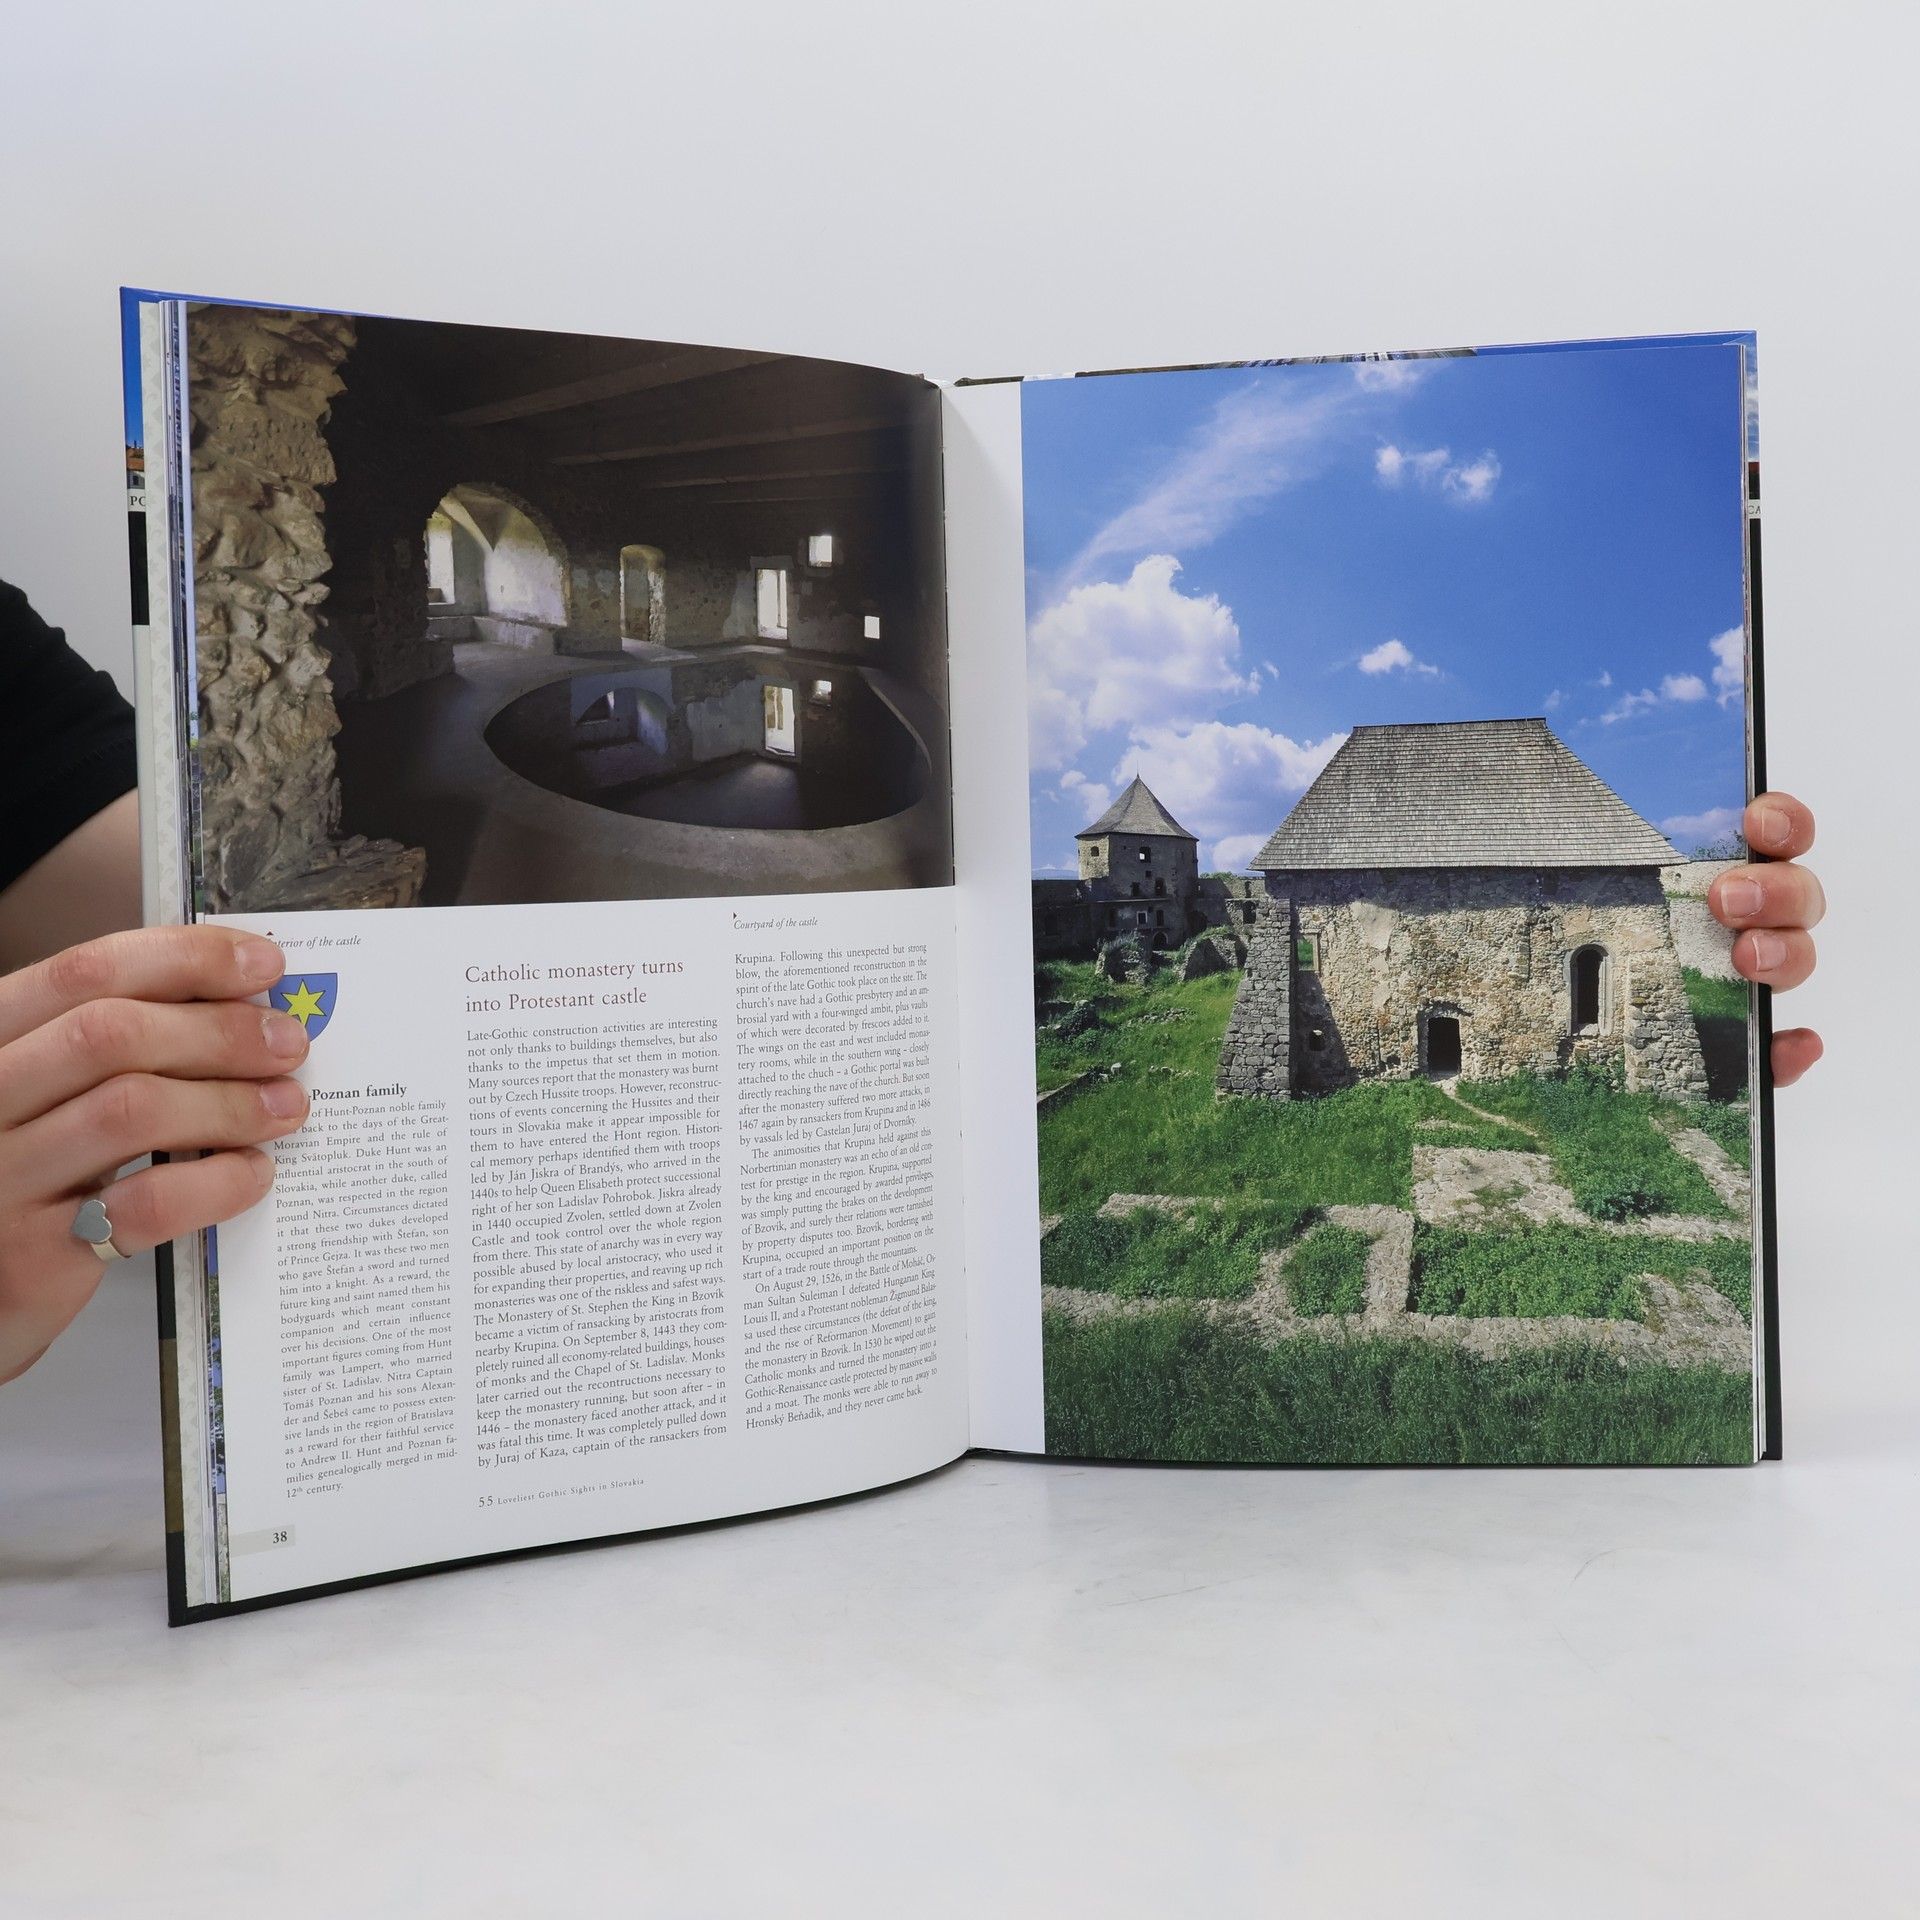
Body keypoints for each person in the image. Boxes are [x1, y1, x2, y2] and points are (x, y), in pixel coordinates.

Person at [0, 579, 1825, 1385]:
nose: (1132, 873)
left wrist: (1686, 946)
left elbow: (151, 901)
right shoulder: (1273, 880)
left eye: (1139, 861)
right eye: (1125, 859)